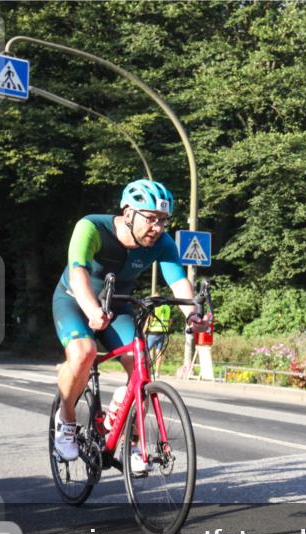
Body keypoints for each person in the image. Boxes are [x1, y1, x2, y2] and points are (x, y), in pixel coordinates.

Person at [52, 179, 210, 472]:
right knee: (84, 352)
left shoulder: (162, 243)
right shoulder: (91, 227)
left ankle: (132, 442)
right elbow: (78, 273)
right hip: (75, 300)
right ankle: (66, 420)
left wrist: (192, 315)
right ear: (128, 213)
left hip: (117, 306)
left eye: (163, 220)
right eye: (151, 218)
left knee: (141, 368)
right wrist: (91, 309)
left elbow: (178, 282)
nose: (158, 227)